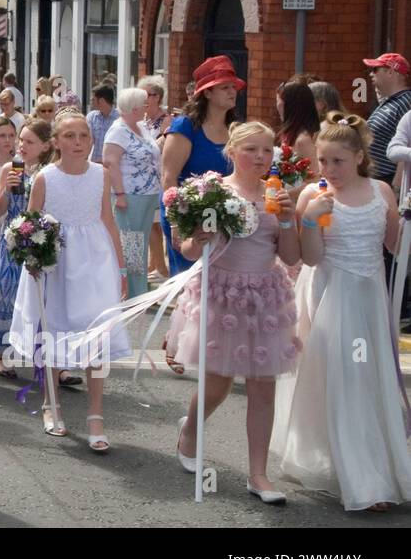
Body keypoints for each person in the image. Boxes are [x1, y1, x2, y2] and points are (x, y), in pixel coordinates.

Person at [271, 113, 411, 511]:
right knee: (348, 378)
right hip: (333, 298)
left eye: (338, 161)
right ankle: (363, 480)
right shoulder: (314, 197)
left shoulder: (381, 191)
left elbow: (396, 248)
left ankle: (375, 464)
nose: (329, 169)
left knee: (369, 378)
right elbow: (312, 259)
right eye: (323, 161)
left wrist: (404, 221)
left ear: (359, 157)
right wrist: (311, 223)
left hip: (370, 297)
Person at [168, 122, 301, 504]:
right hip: (223, 292)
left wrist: (290, 220)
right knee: (219, 381)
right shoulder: (212, 192)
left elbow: (291, 257)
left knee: (263, 385)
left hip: (264, 295)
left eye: (268, 150)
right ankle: (191, 430)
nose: (261, 157)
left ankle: (258, 475)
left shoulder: (278, 195)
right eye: (252, 149)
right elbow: (190, 249)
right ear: (232, 151)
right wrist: (200, 238)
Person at [8, 111, 128, 449]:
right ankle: (51, 404)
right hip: (56, 261)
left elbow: (107, 218)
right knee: (55, 330)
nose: (78, 142)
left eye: (84, 136)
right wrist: (31, 257)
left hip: (95, 259)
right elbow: (29, 224)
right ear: (57, 142)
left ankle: (96, 414)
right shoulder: (46, 177)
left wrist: (120, 268)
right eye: (70, 136)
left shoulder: (101, 175)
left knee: (97, 334)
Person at [160, 56, 241, 276]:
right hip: (187, 214)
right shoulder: (186, 126)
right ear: (207, 93)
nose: (232, 92)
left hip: (225, 216)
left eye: (233, 87)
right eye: (224, 87)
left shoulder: (235, 128)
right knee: (191, 285)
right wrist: (177, 223)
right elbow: (168, 177)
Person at [0, 118, 53, 379]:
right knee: (6, 292)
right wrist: (1, 196)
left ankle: (48, 359)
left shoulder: (50, 172)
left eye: (29, 141)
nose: (21, 145)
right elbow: (1, 209)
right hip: (12, 239)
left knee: (44, 299)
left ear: (46, 146)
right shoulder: (10, 167)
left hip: (40, 240)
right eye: (20, 140)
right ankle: (0, 353)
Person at [104, 87, 162, 301]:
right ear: (134, 107)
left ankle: (139, 290)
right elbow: (110, 161)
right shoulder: (119, 129)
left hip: (147, 193)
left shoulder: (140, 126)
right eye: (144, 104)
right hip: (130, 193)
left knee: (140, 241)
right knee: (130, 243)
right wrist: (119, 194)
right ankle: (130, 292)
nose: (147, 107)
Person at [139, 74, 172, 282]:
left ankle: (162, 267)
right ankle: (153, 264)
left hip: (158, 175)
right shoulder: (142, 119)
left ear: (157, 97)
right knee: (149, 223)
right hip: (142, 176)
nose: (145, 98)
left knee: (156, 223)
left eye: (148, 95)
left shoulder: (166, 119)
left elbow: (161, 146)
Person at [362, 53, 411, 186]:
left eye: (375, 70)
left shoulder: (406, 101)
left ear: (390, 72)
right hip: (378, 178)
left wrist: (397, 185)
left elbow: (407, 142)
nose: (371, 74)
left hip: (389, 179)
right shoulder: (392, 101)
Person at [277, 77, 320, 164]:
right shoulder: (291, 134)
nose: (277, 106)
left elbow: (313, 174)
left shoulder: (303, 140)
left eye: (278, 100)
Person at [86, 84, 119, 164]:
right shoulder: (92, 117)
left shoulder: (120, 118)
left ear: (101, 101)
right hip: (96, 165)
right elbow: (89, 141)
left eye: (93, 99)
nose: (90, 101)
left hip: (114, 166)